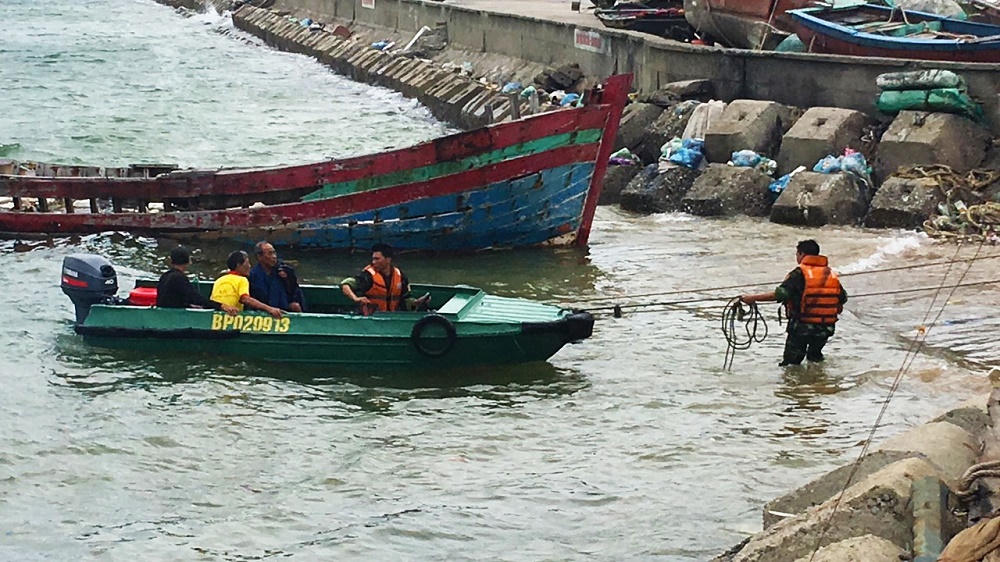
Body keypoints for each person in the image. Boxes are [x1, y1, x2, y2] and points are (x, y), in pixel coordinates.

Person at [740, 239, 848, 366]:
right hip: (825, 328)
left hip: (801, 327)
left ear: (801, 254)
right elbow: (843, 298)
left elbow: (779, 295)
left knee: (791, 365)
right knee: (815, 359)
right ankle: (818, 383)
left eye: (797, 254)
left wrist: (751, 298)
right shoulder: (830, 274)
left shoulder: (798, 274)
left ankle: (793, 385)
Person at [340, 243, 427, 315]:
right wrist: (356, 298)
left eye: (377, 259)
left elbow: (406, 298)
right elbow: (345, 285)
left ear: (388, 259)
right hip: (371, 318)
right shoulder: (367, 276)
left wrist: (416, 303)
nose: (374, 262)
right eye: (373, 259)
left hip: (392, 317)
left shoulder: (400, 276)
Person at [156, 246, 239, 316]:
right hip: (174, 315)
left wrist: (190, 306)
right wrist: (220, 306)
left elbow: (172, 299)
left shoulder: (165, 276)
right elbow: (195, 298)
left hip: (164, 313)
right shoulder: (179, 278)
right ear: (189, 261)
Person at [211, 250, 284, 318]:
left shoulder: (219, 280)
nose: (249, 266)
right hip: (231, 315)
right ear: (239, 265)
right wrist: (270, 309)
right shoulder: (242, 280)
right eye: (247, 263)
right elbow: (245, 299)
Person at [248, 241, 303, 312]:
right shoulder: (252, 275)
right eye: (270, 254)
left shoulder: (284, 271)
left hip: (283, 310)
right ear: (259, 257)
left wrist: (287, 278)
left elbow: (294, 292)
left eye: (274, 253)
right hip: (263, 312)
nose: (274, 256)